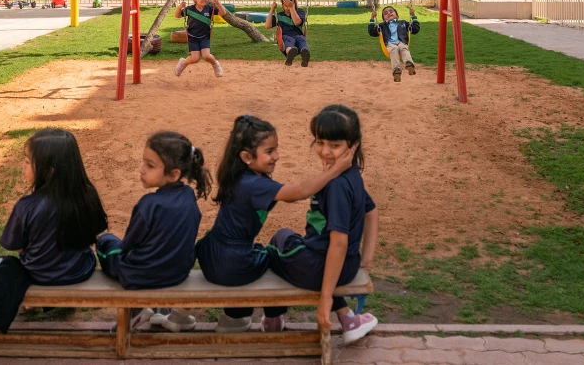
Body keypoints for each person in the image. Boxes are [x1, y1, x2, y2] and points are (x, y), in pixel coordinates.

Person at [196, 115, 357, 333]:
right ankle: (272, 317)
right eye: (270, 151)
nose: (277, 156)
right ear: (246, 156)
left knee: (268, 252)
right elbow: (298, 193)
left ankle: (234, 318)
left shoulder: (239, 176)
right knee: (278, 257)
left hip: (211, 256)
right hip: (234, 264)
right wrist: (335, 170)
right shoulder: (254, 184)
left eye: (276, 149)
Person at [267, 105, 379, 345]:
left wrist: (326, 297)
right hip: (347, 267)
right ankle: (348, 319)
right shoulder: (351, 175)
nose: (325, 151)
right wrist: (365, 259)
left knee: (274, 245)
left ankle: (273, 318)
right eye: (320, 142)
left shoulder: (337, 185)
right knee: (290, 243)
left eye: (335, 145)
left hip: (316, 266)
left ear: (354, 144)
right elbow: (372, 210)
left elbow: (339, 243)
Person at [96, 131, 210, 332]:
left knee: (106, 243)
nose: (141, 170)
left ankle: (137, 312)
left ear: (174, 174)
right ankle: (154, 310)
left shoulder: (149, 204)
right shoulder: (189, 196)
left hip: (140, 275)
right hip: (178, 273)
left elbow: (127, 244)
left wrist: (108, 241)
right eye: (143, 162)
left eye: (150, 166)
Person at [0, 128, 109, 286]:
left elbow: (16, 246)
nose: (23, 166)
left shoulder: (26, 206)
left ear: (49, 172)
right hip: (79, 272)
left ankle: (33, 302)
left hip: (37, 276)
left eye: (28, 162)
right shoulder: (87, 195)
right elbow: (96, 230)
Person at [174, 0, 227, 77]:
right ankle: (183, 63)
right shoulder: (190, 9)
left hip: (204, 36)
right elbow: (177, 15)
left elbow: (223, 13)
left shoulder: (209, 8)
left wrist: (217, 3)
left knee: (206, 56)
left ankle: (215, 65)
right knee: (195, 59)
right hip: (192, 37)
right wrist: (180, 7)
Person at [368, 6, 420, 82]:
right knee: (394, 49)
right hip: (390, 44)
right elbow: (371, 32)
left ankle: (409, 65)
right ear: (383, 19)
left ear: (397, 16)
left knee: (403, 48)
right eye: (385, 13)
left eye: (391, 11)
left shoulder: (403, 23)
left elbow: (415, 29)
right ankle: (396, 70)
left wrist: (413, 16)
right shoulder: (382, 26)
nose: (389, 13)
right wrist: (372, 18)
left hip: (402, 42)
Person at [265, 0, 310, 67]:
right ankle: (291, 54)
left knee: (302, 41)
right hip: (286, 36)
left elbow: (297, 22)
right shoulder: (279, 16)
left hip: (298, 35)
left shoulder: (299, 12)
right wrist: (272, 9)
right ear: (282, 5)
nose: (288, 7)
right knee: (288, 41)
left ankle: (305, 55)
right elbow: (267, 26)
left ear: (294, 2)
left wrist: (292, 8)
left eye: (290, 4)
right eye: (286, 5)